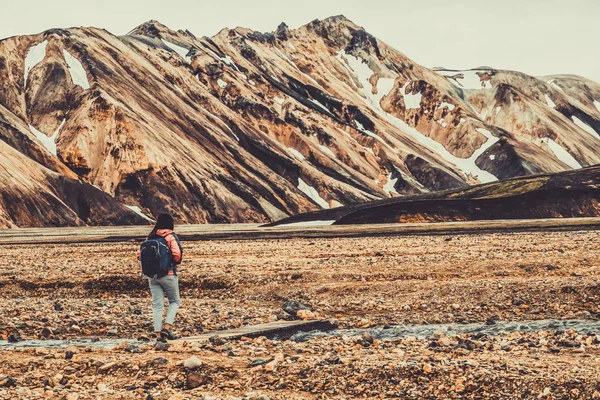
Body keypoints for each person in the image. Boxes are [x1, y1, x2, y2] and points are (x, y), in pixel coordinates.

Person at [137, 213, 183, 342]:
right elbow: (177, 254)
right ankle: (167, 327)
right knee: (174, 301)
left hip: (152, 276)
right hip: (168, 274)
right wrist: (171, 262)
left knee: (157, 306)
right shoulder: (170, 237)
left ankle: (158, 335)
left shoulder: (150, 237)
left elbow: (139, 255)